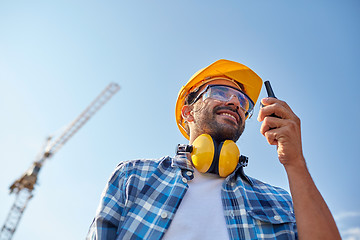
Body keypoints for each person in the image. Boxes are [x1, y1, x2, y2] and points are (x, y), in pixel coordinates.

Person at [86, 59, 341, 239]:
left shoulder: (279, 201)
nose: (235, 102)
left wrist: (295, 162)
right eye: (220, 91)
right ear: (188, 112)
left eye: (243, 102)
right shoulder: (133, 176)